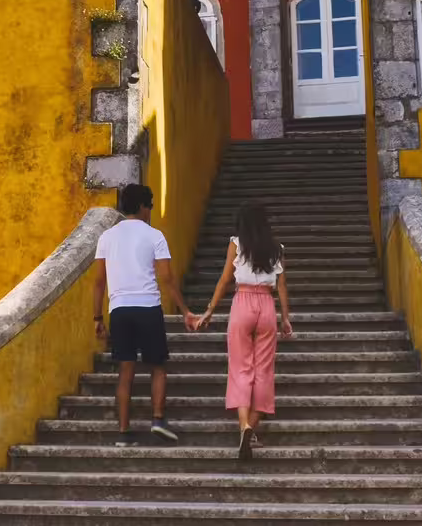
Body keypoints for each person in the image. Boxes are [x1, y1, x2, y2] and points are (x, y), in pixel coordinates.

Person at [92, 183, 200, 444]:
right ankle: (158, 418)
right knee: (158, 366)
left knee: (125, 370)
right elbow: (166, 278)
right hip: (148, 307)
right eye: (150, 205)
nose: (150, 210)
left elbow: (98, 282)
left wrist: (97, 317)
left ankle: (123, 433)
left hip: (119, 310)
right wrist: (185, 311)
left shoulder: (106, 237)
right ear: (142, 206)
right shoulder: (155, 236)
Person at [196, 201, 293, 459]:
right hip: (266, 305)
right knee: (263, 370)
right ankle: (252, 425)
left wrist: (210, 310)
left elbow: (226, 278)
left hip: (243, 304)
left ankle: (244, 426)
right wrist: (285, 318)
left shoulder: (237, 244)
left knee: (240, 367)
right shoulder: (277, 249)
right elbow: (282, 286)